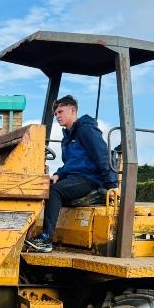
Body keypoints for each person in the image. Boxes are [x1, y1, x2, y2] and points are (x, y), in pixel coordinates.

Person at [25, 95, 118, 253]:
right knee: (42, 185)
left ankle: (46, 239)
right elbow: (70, 164)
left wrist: (112, 186)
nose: (57, 116)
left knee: (55, 191)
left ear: (73, 110)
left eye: (60, 111)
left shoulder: (85, 129)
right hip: (75, 178)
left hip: (90, 180)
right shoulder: (67, 138)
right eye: (55, 114)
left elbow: (102, 156)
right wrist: (58, 174)